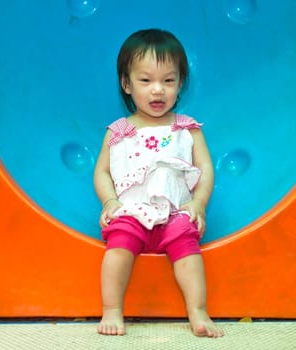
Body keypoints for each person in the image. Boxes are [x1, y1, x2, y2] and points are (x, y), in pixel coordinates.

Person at [93, 28, 223, 338]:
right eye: (146, 80)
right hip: (131, 212)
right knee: (117, 249)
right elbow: (102, 172)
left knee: (189, 249)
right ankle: (112, 309)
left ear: (180, 84)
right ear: (126, 84)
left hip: (175, 212)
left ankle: (198, 310)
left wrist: (198, 204)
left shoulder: (186, 128)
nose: (157, 91)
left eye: (168, 81)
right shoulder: (119, 131)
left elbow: (204, 168)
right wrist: (110, 201)